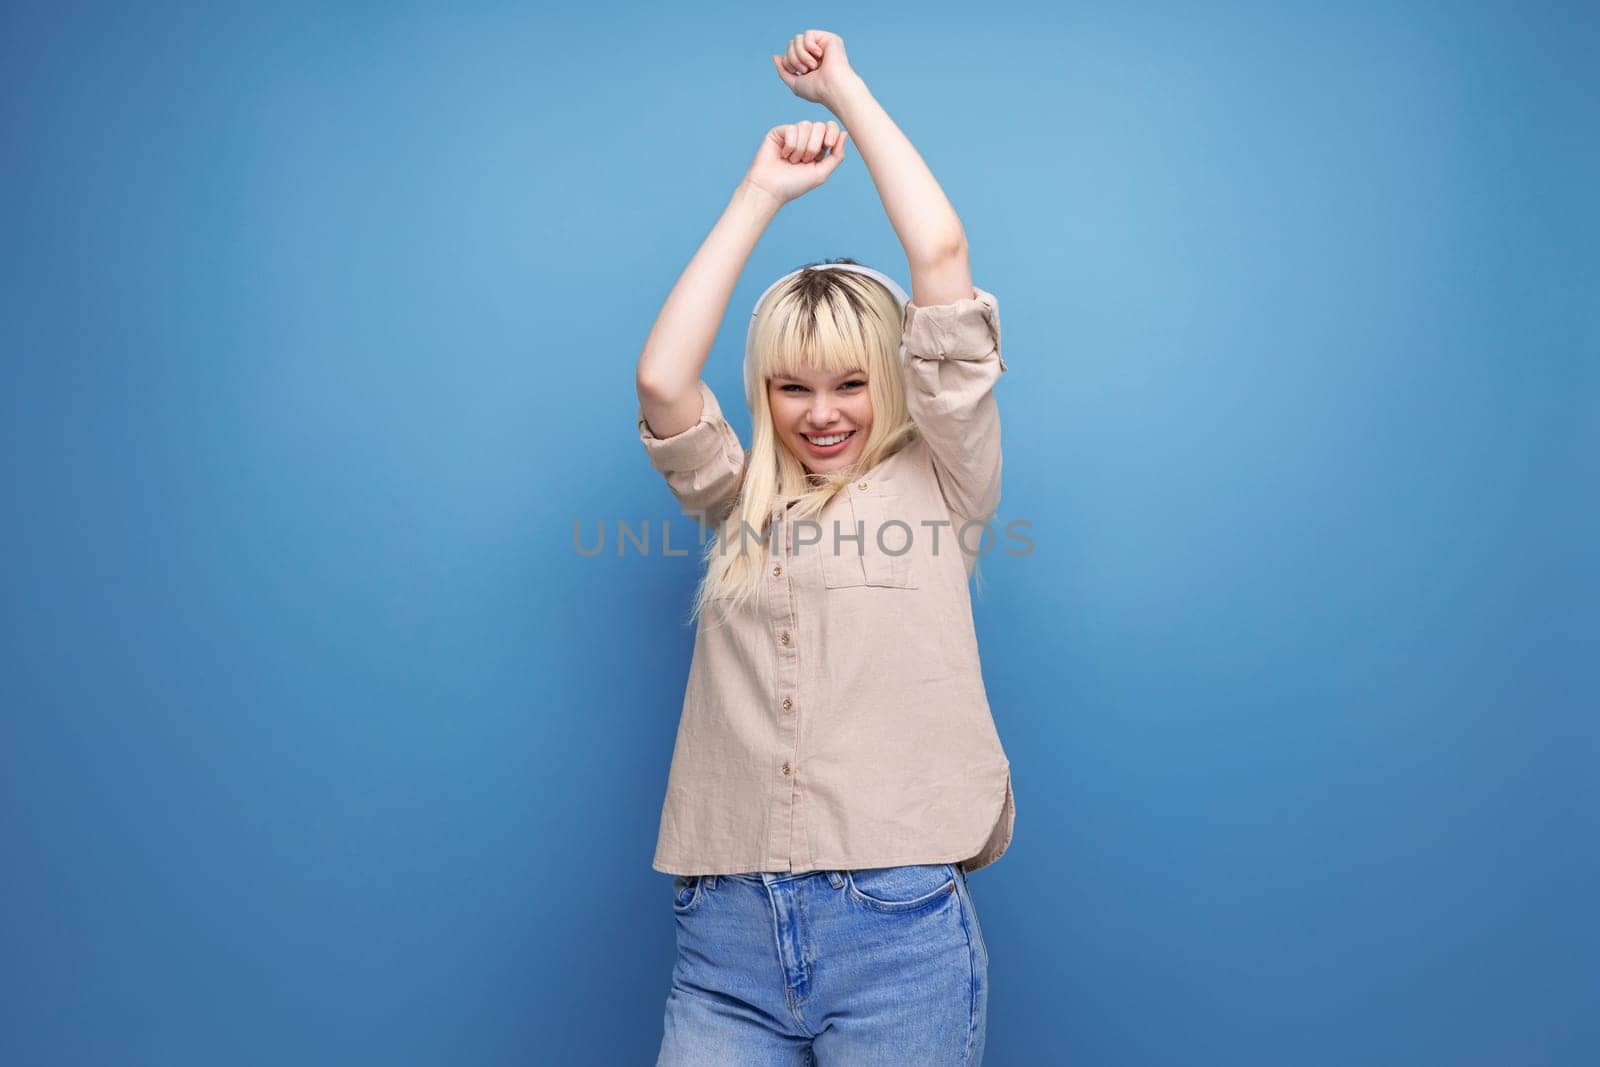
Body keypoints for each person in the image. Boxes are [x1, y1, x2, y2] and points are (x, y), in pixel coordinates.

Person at [635, 29, 1014, 1065]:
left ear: (887, 381)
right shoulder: (741, 499)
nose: (821, 411)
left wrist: (843, 92)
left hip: (893, 929)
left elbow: (939, 258)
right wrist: (759, 195)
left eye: (849, 381)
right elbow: (665, 384)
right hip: (724, 932)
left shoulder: (943, 477)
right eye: (791, 385)